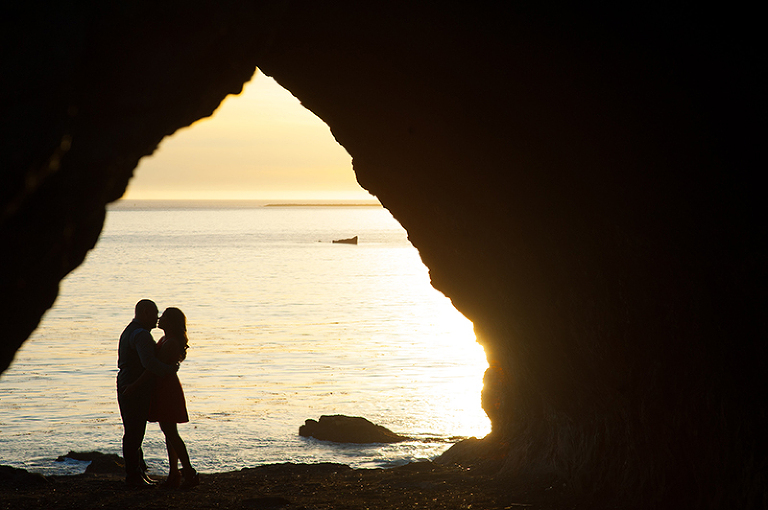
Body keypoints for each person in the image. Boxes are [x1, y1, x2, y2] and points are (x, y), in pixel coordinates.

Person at [129, 307, 199, 489]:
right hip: (163, 387)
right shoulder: (164, 339)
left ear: (171, 322)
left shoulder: (170, 343)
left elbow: (153, 369)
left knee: (171, 433)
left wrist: (134, 386)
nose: (160, 318)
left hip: (167, 389)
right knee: (169, 433)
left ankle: (188, 473)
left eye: (165, 316)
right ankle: (175, 474)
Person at [116, 299, 178, 487]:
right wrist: (170, 369)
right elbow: (149, 363)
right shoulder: (141, 335)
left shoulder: (129, 331)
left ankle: (138, 471)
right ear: (144, 312)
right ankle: (134, 475)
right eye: (154, 313)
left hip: (125, 379)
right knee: (135, 431)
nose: (157, 318)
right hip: (133, 383)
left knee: (133, 429)